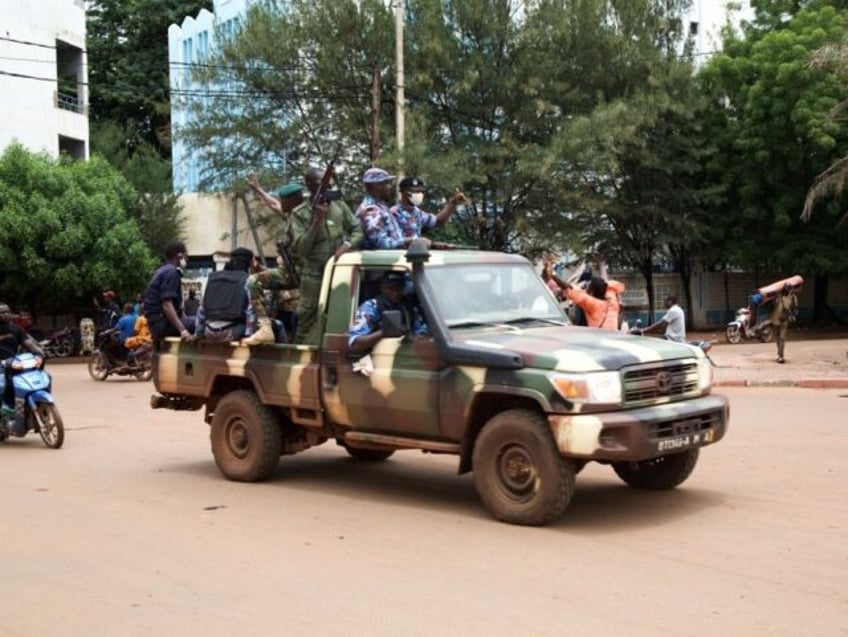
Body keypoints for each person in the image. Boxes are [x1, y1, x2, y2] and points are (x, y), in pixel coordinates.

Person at [286, 167, 364, 345]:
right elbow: (301, 249)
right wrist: (316, 221)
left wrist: (346, 245)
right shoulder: (299, 214)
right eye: (319, 183)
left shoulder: (338, 206)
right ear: (308, 185)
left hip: (338, 274)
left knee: (337, 319)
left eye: (327, 181)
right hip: (314, 276)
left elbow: (358, 230)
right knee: (308, 319)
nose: (326, 185)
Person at [242, 184, 306, 346]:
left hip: (308, 276)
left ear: (292, 201)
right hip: (290, 275)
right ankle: (265, 329)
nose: (280, 203)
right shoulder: (290, 217)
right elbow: (273, 204)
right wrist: (258, 189)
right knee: (253, 281)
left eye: (283, 200)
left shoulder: (306, 219)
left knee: (302, 315)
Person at [348, 271, 429, 354]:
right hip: (378, 357)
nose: (396, 293)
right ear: (382, 287)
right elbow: (354, 344)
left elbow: (421, 331)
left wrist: (419, 336)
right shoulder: (371, 307)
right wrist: (384, 332)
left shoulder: (408, 306)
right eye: (391, 288)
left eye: (399, 288)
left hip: (407, 354)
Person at [196, 247, 256, 343]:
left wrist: (198, 334)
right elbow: (250, 312)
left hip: (208, 332)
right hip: (231, 332)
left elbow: (201, 310)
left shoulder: (213, 278)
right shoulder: (248, 280)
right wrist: (249, 336)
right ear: (249, 263)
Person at [0, 302, 45, 426]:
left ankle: (39, 405)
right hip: (1, 365)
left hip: (15, 362)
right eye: (2, 312)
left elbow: (28, 343)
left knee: (43, 378)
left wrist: (39, 354)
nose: (5, 314)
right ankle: (4, 412)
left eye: (7, 312)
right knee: (2, 384)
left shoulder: (16, 329)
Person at [143, 240, 194, 349]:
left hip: (156, 323)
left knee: (192, 320)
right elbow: (167, 305)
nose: (187, 259)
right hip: (162, 324)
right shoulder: (172, 272)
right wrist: (183, 331)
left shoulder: (161, 271)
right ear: (180, 256)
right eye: (186, 255)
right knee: (201, 324)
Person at [544, 262, 625, 330]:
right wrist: (601, 264)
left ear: (592, 291)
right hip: (614, 338)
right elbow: (614, 285)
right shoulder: (612, 300)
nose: (586, 289)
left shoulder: (592, 304)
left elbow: (569, 289)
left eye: (588, 287)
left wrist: (553, 275)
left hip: (598, 340)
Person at [387, 177, 466, 245]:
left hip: (416, 254)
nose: (420, 194)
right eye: (416, 191)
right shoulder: (394, 213)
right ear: (404, 193)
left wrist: (453, 203)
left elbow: (438, 221)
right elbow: (394, 240)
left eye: (421, 192)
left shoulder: (417, 212)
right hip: (399, 256)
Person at [355, 168, 407, 250]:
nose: (389, 187)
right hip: (379, 261)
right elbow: (382, 244)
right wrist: (408, 241)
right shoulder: (370, 210)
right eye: (387, 184)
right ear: (377, 186)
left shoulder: (380, 206)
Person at [771, 282, 799, 364]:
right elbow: (772, 303)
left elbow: (795, 307)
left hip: (784, 319)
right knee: (777, 337)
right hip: (775, 319)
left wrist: (794, 315)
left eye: (789, 288)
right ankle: (779, 353)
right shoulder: (778, 295)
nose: (788, 290)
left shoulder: (793, 297)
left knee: (782, 337)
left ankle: (781, 356)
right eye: (787, 288)